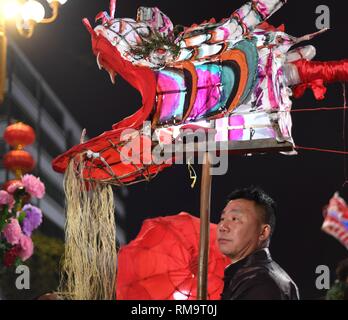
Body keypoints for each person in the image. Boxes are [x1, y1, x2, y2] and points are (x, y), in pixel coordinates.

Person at [217, 186, 300, 300]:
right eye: (222, 218)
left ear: (263, 232)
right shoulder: (248, 277)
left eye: (235, 219)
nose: (222, 227)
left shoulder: (261, 284)